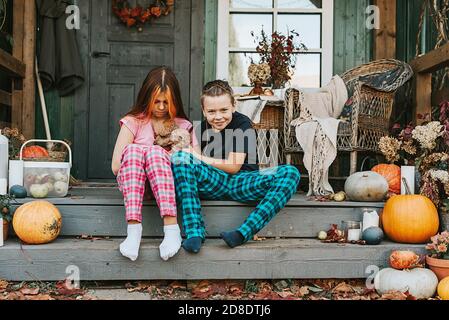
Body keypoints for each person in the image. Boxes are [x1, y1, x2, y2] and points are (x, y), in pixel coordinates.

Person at [171, 80, 301, 253]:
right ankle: (194, 232)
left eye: (224, 110)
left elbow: (233, 166)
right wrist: (182, 152)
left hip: (242, 181)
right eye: (211, 111)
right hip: (214, 183)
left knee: (290, 173)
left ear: (234, 106)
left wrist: (198, 156)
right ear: (204, 111)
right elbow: (193, 165)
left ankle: (242, 233)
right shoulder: (200, 129)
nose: (218, 116)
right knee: (180, 159)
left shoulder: (242, 123)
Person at [111, 66, 197, 261]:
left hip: (168, 186)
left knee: (155, 153)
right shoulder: (134, 122)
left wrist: (160, 154)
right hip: (135, 186)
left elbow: (195, 160)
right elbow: (116, 166)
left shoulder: (183, 125)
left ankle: (171, 229)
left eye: (166, 102)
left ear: (174, 100)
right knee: (134, 150)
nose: (160, 107)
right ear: (146, 98)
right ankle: (133, 231)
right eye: (155, 101)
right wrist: (144, 153)